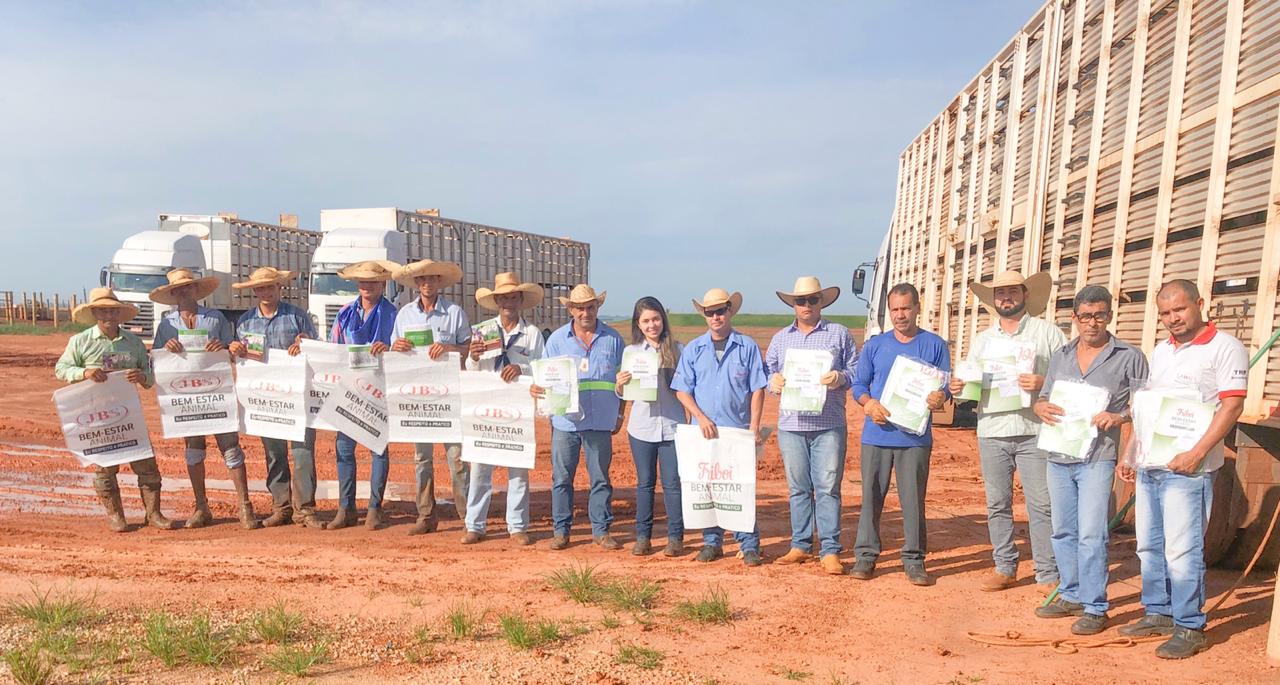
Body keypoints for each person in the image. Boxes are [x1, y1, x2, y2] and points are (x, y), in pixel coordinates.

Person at [1116, 279, 1247, 659]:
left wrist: (1197, 453)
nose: (1173, 318)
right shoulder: (1161, 351)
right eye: (1166, 313)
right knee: (1148, 544)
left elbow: (1232, 406)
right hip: (1152, 465)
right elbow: (1149, 407)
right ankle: (1157, 610)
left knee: (1182, 549)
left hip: (1190, 470)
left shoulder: (1226, 348)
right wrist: (1131, 452)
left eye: (1180, 309)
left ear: (1199, 304)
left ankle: (1190, 625)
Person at [1033, 285, 1148, 634]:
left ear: (1110, 316)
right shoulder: (1062, 355)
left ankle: (1096, 606)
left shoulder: (1129, 355)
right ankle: (1070, 593)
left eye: (1099, 315)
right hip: (1058, 454)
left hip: (1097, 457)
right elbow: (1043, 397)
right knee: (1063, 530)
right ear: (1075, 319)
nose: (1092, 322)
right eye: (1085, 316)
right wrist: (1040, 406)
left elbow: (1145, 404)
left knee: (1091, 534)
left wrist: (1119, 418)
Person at [949, 270, 1067, 592]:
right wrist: (960, 386)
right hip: (993, 429)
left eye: (1012, 292)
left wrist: (1044, 383)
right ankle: (1004, 567)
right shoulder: (984, 341)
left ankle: (1047, 572)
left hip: (1036, 429)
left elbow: (1071, 377)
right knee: (997, 503)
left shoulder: (1048, 334)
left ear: (1025, 294)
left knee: (1041, 504)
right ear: (994, 299)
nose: (1006, 298)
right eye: (1000, 293)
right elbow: (970, 387)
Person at [849, 283, 950, 585]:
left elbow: (944, 386)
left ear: (918, 307)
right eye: (894, 309)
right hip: (877, 435)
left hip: (914, 439)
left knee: (913, 500)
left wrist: (939, 397)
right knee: (871, 498)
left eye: (906, 308)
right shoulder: (875, 345)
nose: (900, 315)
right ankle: (865, 557)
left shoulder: (934, 345)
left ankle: (914, 560)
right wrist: (868, 404)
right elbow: (858, 386)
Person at [55, 287, 178, 532]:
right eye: (103, 310)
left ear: (119, 313)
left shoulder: (133, 342)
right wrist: (85, 372)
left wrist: (141, 375)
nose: (108, 314)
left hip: (128, 414)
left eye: (112, 310)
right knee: (105, 467)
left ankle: (153, 514)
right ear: (94, 312)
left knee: (146, 464)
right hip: (95, 415)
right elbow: (61, 369)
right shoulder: (80, 341)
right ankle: (116, 516)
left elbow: (151, 376)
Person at [150, 268, 260, 530]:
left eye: (188, 287)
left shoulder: (215, 318)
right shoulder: (166, 325)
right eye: (178, 289)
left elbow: (233, 350)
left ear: (196, 290)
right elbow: (154, 359)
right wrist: (165, 349)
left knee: (230, 448)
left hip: (215, 393)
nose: (183, 291)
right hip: (186, 397)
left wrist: (224, 347)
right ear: (172, 293)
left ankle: (245, 506)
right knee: (194, 450)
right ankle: (201, 506)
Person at [765, 277, 858, 575]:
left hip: (828, 423)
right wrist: (774, 382)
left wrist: (841, 378)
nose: (806, 305)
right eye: (800, 300)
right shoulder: (780, 339)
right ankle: (801, 545)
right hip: (791, 424)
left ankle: (830, 550)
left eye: (812, 300)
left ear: (822, 302)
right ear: (793, 304)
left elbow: (856, 370)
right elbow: (768, 373)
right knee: (798, 488)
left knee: (828, 487)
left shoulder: (839, 334)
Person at [672, 288, 768, 567]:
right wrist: (700, 417)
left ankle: (748, 544)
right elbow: (682, 391)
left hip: (736, 432)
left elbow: (758, 390)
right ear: (704, 315)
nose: (716, 316)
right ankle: (712, 543)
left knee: (739, 488)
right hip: (704, 432)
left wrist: (754, 428)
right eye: (710, 312)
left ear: (729, 311)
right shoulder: (693, 349)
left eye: (720, 310)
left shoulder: (747, 347)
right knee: (708, 488)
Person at [530, 284, 625, 550]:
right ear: (571, 309)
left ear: (598, 308)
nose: (586, 312)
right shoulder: (557, 340)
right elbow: (544, 378)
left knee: (601, 478)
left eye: (590, 307)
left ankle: (601, 531)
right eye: (580, 307)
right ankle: (561, 532)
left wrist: (620, 413)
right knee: (561, 479)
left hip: (600, 420)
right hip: (565, 421)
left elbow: (624, 381)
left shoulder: (614, 339)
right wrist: (539, 389)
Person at [228, 266, 322, 528]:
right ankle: (281, 507)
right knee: (274, 453)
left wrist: (306, 343)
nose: (266, 291)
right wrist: (234, 349)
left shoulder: (298, 317)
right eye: (261, 287)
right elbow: (239, 354)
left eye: (270, 286)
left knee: (303, 453)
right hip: (266, 399)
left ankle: (305, 509)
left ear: (279, 287)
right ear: (255, 291)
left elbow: (317, 347)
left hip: (297, 397)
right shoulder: (245, 322)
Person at [461, 272, 546, 545]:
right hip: (486, 407)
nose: (508, 302)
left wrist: (521, 367)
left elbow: (543, 368)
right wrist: (473, 357)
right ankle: (475, 525)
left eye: (513, 297)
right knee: (480, 469)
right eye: (504, 298)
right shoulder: (482, 331)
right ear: (497, 300)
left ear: (521, 299)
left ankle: (517, 526)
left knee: (518, 470)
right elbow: (471, 371)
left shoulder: (532, 335)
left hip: (517, 410)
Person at [388, 259, 472, 535]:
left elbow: (468, 349)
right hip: (417, 398)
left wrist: (449, 347)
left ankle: (468, 515)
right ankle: (425, 514)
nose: (427, 283)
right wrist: (397, 347)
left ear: (439, 282)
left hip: (448, 394)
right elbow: (393, 351)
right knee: (422, 459)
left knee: (457, 458)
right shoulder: (404, 316)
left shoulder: (455, 313)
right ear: (416, 283)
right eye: (421, 279)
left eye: (432, 278)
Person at [326, 260, 400, 531]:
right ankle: (346, 507)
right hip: (348, 389)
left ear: (382, 284)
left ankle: (374, 508)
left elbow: (404, 350)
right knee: (344, 449)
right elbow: (333, 349)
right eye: (363, 281)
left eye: (372, 281)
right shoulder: (345, 313)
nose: (367, 286)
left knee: (377, 447)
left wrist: (390, 349)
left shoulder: (393, 314)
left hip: (380, 388)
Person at [614, 297, 686, 557]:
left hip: (673, 426)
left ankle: (675, 537)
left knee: (673, 483)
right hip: (642, 428)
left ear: (662, 320)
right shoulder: (631, 352)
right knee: (645, 483)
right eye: (646, 320)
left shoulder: (678, 349)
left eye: (655, 319)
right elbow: (626, 395)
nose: (652, 324)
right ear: (638, 324)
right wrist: (620, 384)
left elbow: (687, 388)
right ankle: (643, 537)